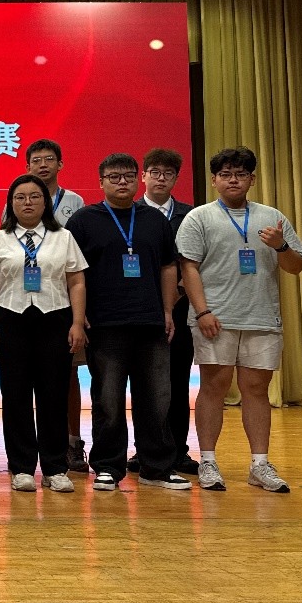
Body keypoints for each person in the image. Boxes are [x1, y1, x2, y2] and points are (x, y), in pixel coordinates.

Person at [177, 146, 302, 493]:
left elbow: (295, 266)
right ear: (214, 180)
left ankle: (259, 465)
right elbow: (188, 267)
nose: (232, 180)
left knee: (256, 390)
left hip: (262, 316)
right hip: (215, 318)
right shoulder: (199, 218)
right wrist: (202, 311)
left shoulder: (272, 216)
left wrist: (281, 246)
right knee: (213, 387)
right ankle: (207, 461)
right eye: (225, 174)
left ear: (252, 179)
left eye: (240, 174)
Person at [66, 154, 189, 491]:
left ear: (138, 180)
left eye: (128, 176)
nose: (122, 182)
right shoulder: (83, 220)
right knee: (108, 399)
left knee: (157, 398)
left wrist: (167, 310)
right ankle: (108, 467)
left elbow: (168, 267)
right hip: (104, 324)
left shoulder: (154, 220)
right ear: (101, 182)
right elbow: (71, 271)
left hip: (151, 323)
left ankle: (157, 468)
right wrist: (79, 313)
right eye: (114, 177)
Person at [0, 175, 87, 493]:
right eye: (20, 197)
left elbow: (76, 281)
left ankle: (55, 468)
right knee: (15, 395)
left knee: (53, 395)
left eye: (34, 197)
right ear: (11, 203)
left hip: (55, 319)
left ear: (46, 202)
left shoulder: (63, 237)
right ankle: (22, 467)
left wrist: (77, 323)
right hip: (10, 319)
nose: (27, 202)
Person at [129, 149, 199, 476]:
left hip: (180, 310)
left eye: (168, 173)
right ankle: (144, 449)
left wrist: (176, 293)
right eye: (154, 172)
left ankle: (178, 450)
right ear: (143, 176)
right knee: (143, 384)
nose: (161, 178)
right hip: (140, 310)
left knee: (177, 382)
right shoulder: (129, 212)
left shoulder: (191, 215)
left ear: (176, 178)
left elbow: (197, 261)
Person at [23, 138, 89, 472]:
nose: (43, 165)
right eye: (36, 160)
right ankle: (36, 447)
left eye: (49, 159)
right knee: (29, 377)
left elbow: (81, 258)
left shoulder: (75, 202)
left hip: (63, 299)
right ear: (28, 166)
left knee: (68, 375)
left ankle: (72, 442)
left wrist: (81, 310)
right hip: (25, 301)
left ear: (60, 164)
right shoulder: (18, 199)